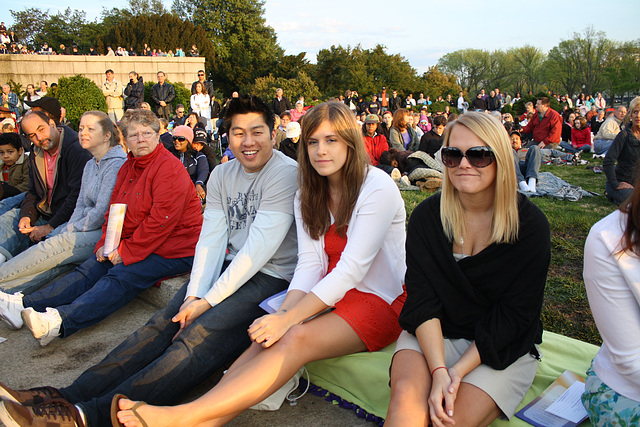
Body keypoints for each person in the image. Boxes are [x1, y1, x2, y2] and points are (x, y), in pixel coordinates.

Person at [0, 95, 299, 427]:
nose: (248, 142)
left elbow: (258, 249)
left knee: (197, 336)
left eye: (257, 132)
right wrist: (195, 293)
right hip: (227, 264)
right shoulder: (222, 174)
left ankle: (90, 416)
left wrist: (205, 301)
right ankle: (67, 396)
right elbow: (212, 240)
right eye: (238, 132)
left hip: (270, 275)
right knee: (160, 325)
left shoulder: (285, 174)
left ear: (274, 133)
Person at [106, 100, 407, 427]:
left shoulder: (377, 186)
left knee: (293, 337)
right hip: (328, 292)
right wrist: (281, 315)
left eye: (331, 140)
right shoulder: (308, 191)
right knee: (261, 342)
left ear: (350, 142)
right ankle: (206, 421)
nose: (321, 150)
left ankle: (180, 417)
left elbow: (352, 269)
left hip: (380, 297)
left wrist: (289, 318)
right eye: (313, 141)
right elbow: (309, 265)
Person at [386, 112, 550, 427]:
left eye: (479, 154)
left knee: (449, 421)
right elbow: (422, 301)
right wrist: (438, 372)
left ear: (500, 158)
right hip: (432, 335)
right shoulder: (427, 218)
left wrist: (457, 372)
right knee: (405, 410)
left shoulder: (530, 227)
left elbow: (514, 315)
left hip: (498, 346)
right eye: (452, 154)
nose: (464, 164)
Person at [0, 109, 202, 349]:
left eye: (147, 133)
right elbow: (114, 211)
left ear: (158, 136)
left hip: (177, 246)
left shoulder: (168, 168)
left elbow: (161, 222)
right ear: (125, 139)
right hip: (140, 238)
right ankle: (25, 303)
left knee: (124, 273)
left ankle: (60, 322)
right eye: (134, 135)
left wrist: (126, 251)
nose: (141, 139)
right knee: (93, 266)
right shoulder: (128, 167)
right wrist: (105, 243)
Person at [0, 111, 127, 296]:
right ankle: (7, 292)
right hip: (83, 225)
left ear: (107, 135)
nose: (83, 132)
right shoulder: (92, 164)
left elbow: (100, 212)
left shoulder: (116, 164)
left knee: (54, 244)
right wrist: (66, 227)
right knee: (56, 256)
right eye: (81, 128)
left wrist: (68, 229)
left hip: (104, 232)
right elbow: (80, 204)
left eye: (91, 129)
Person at [581, 172, 640, 426]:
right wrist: (616, 181)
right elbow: (632, 358)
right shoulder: (609, 238)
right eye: (452, 155)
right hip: (628, 388)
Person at [0, 111, 91, 265]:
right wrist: (26, 215)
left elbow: (76, 197)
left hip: (67, 219)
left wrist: (50, 226)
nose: (39, 138)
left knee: (44, 250)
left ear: (52, 123)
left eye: (41, 129)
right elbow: (33, 191)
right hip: (43, 212)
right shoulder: (36, 153)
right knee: (7, 221)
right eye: (32, 135)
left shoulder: (76, 149)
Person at [603, 97, 640, 206]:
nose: (638, 116)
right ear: (631, 115)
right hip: (620, 184)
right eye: (635, 112)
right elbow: (608, 161)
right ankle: (614, 195)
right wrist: (615, 183)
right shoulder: (624, 135)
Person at [170, 125, 209, 201]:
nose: (176, 141)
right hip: (171, 193)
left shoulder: (198, 156)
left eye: (181, 139)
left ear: (188, 141)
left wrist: (198, 184)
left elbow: (203, 171)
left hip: (191, 191)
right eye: (174, 138)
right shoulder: (168, 155)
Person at [0, 133, 28, 204]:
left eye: (10, 152)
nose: (5, 156)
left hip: (20, 199)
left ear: (20, 151)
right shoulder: (2, 165)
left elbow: (27, 185)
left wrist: (7, 191)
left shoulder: (27, 163)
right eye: (1, 153)